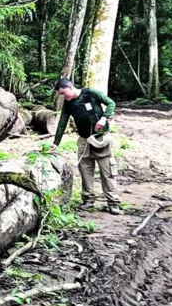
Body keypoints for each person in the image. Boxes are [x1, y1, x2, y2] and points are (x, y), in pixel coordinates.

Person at [50, 78, 121, 215]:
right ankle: (88, 200)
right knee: (85, 170)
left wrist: (104, 118)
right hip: (84, 141)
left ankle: (113, 202)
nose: (64, 96)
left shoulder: (90, 93)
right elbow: (62, 122)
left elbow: (111, 103)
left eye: (64, 93)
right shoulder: (68, 104)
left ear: (70, 87)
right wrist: (56, 142)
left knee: (107, 172)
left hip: (101, 139)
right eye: (61, 95)